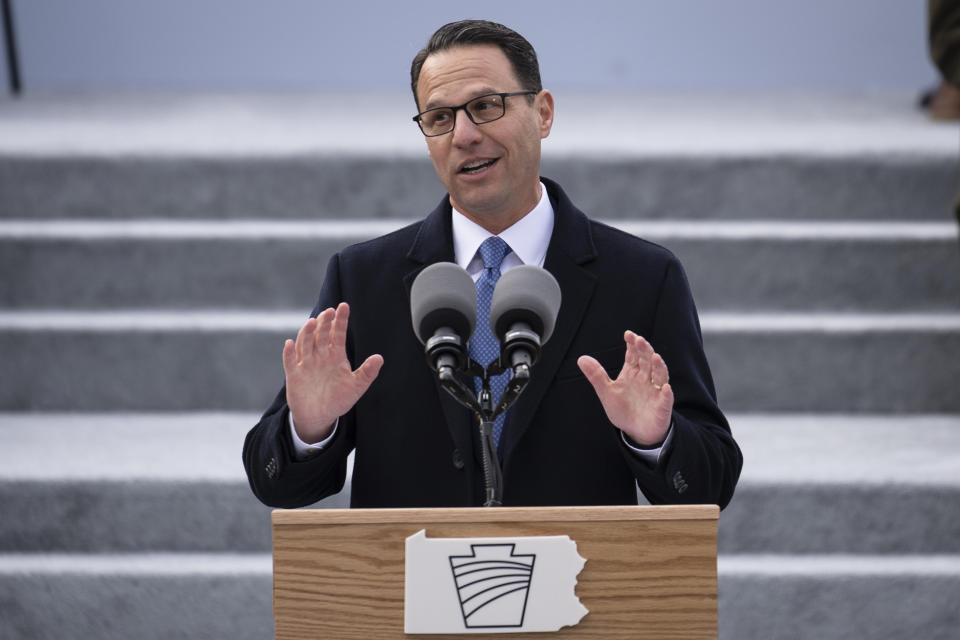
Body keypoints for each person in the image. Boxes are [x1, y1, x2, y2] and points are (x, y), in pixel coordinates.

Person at [243, 19, 742, 510]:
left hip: (580, 585)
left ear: (543, 113)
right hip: (406, 585)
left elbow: (707, 486)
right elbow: (278, 485)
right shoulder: (363, 279)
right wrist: (309, 428)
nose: (463, 135)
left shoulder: (641, 278)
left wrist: (655, 438)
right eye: (439, 118)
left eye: (485, 106)